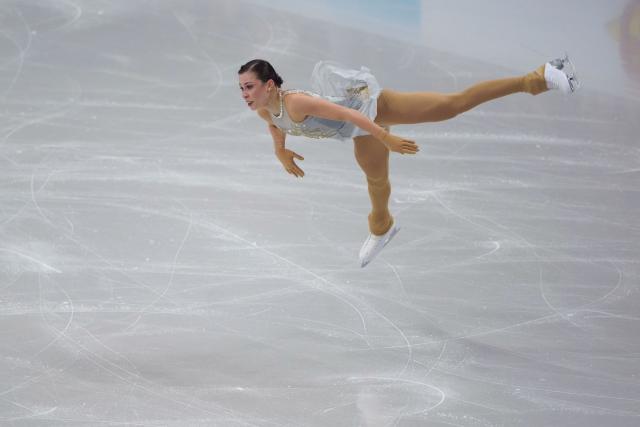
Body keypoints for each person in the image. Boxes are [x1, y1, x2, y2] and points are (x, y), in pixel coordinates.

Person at [237, 55, 579, 268]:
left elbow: (346, 114)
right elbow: (274, 125)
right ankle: (381, 228)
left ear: (270, 85)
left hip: (373, 111)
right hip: (361, 134)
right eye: (242, 89)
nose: (245, 95)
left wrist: (386, 136)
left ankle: (540, 76)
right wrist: (280, 151)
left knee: (452, 105)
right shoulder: (265, 109)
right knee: (376, 182)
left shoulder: (296, 103)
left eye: (249, 87)